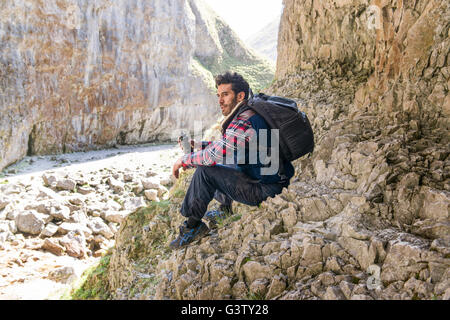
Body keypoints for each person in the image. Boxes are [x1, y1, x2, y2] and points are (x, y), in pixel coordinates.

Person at [169, 71, 295, 249]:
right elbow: (226, 146)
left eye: (225, 95)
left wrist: (183, 160)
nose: (220, 100)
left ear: (240, 95)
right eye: (218, 95)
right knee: (224, 160)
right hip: (273, 180)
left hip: (266, 190)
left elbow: (214, 156)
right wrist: (198, 145)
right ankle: (224, 209)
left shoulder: (244, 120)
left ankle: (192, 227)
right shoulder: (251, 113)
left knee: (206, 170)